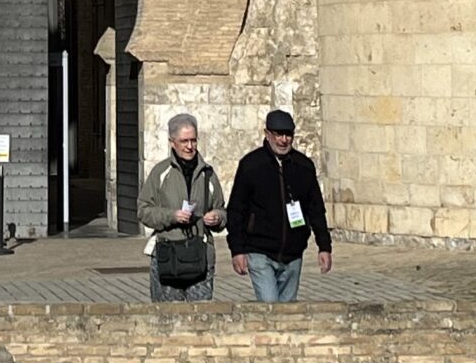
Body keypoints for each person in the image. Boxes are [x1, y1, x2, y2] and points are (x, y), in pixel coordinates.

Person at [226, 107, 333, 302]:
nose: (283, 140)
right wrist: (237, 250)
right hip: (260, 250)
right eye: (278, 134)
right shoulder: (251, 165)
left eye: (288, 135)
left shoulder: (304, 166)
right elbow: (236, 210)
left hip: (293, 253)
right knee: (270, 305)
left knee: (288, 312)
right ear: (267, 134)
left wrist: (324, 246)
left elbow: (316, 209)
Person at [136, 112, 225, 302]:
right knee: (167, 314)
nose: (190, 146)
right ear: (172, 142)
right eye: (184, 141)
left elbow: (221, 209)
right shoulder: (160, 172)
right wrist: (172, 216)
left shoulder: (208, 173)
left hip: (200, 254)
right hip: (168, 255)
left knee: (201, 314)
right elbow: (143, 210)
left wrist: (217, 217)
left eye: (193, 140)